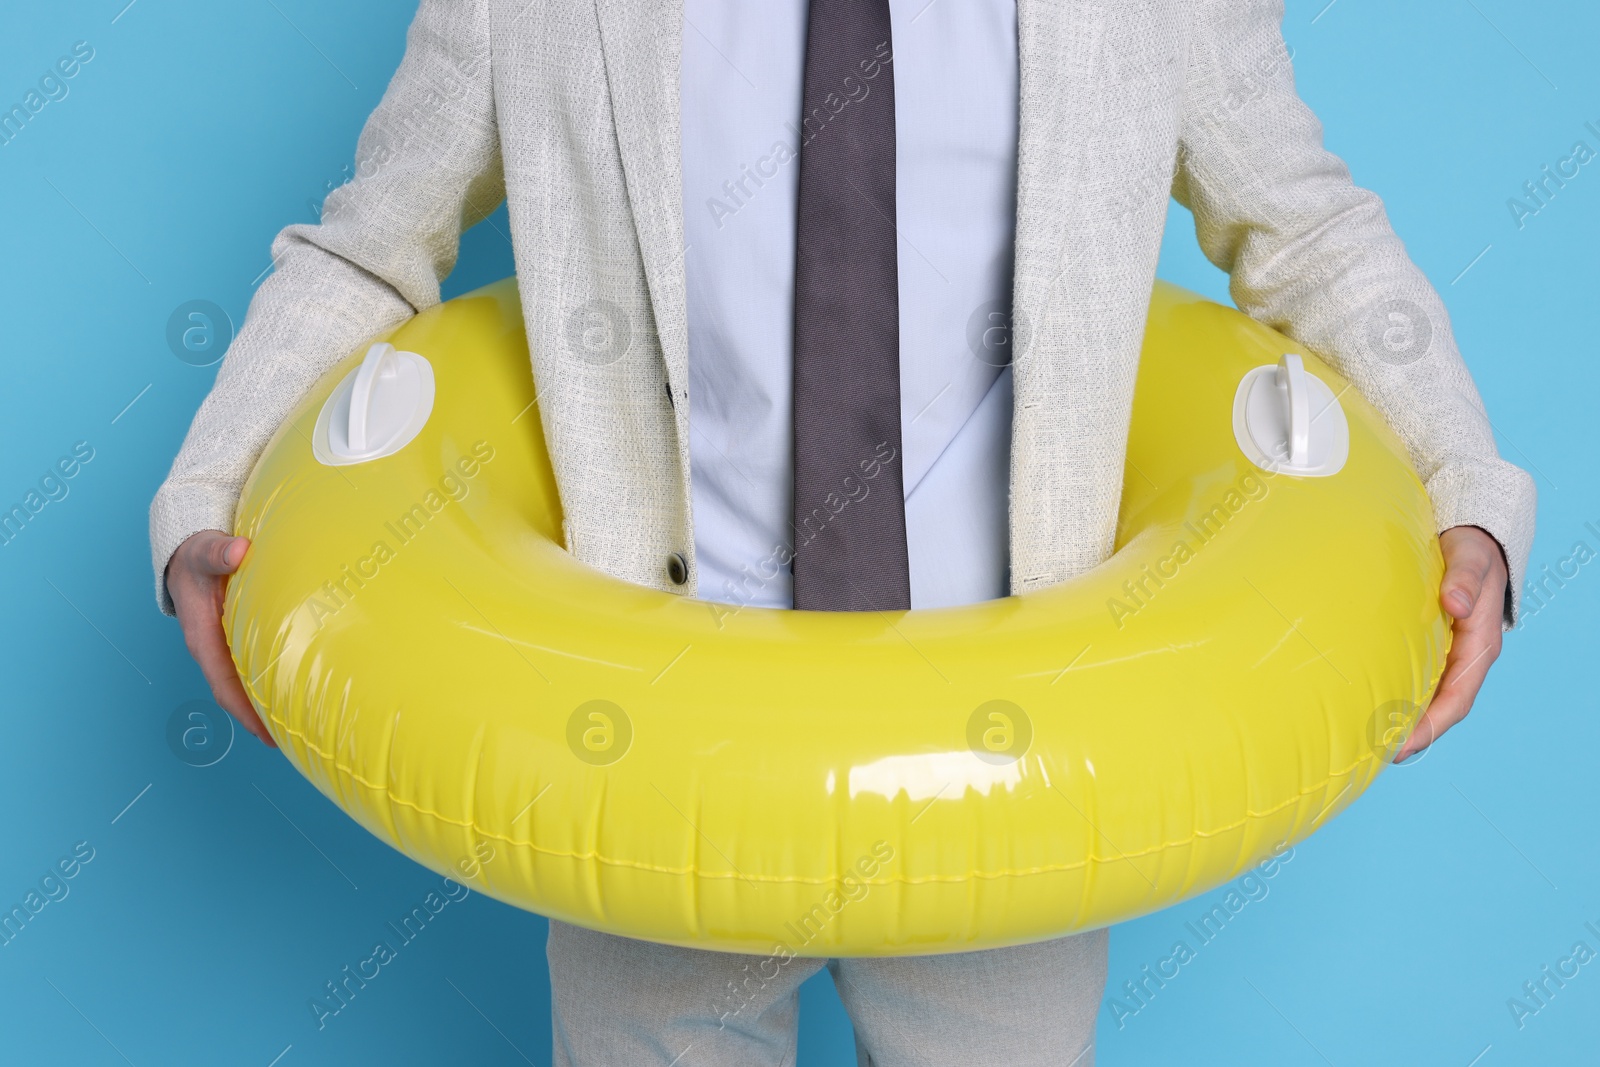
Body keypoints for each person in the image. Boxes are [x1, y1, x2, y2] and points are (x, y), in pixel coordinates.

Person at [150, 1, 1536, 1063]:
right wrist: (207, 495)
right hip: (651, 765)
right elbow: (367, 245)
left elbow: (1311, 233)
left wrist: (1466, 483)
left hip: (1013, 776)